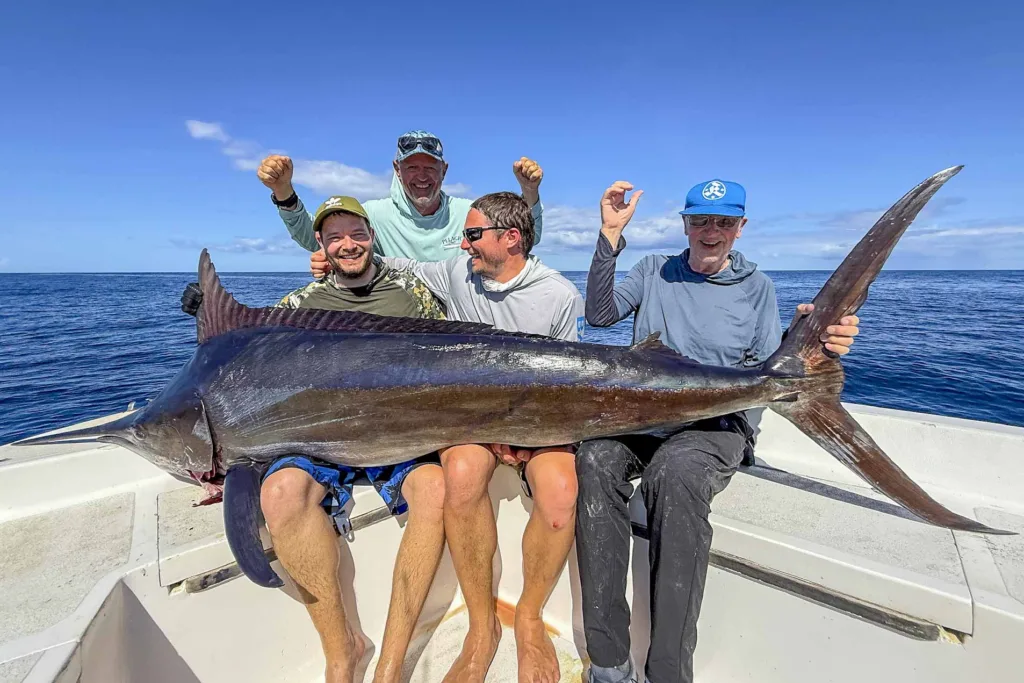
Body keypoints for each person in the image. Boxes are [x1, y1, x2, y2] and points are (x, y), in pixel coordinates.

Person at [576, 179, 862, 683]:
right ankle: (608, 661)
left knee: (677, 473)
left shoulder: (759, 288)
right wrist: (609, 236)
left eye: (724, 222)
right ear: (685, 224)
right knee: (595, 458)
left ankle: (667, 672)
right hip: (644, 417)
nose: (712, 232)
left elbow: (772, 367)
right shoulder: (653, 270)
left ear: (740, 227)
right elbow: (599, 317)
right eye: (701, 221)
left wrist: (819, 342)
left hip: (716, 424)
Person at [185, 196, 448, 683]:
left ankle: (391, 661)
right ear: (322, 246)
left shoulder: (413, 295)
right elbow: (243, 357)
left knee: (435, 491)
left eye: (357, 234)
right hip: (317, 438)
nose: (348, 245)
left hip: (396, 433)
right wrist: (201, 316)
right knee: (281, 495)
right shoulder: (300, 304)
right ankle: (342, 650)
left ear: (372, 237)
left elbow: (456, 354)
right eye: (335, 237)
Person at [342, 191, 583, 683]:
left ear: (510, 238)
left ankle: (530, 619)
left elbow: (567, 382)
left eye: (472, 235)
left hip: (535, 421)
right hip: (472, 422)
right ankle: (481, 625)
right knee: (461, 472)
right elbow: (388, 261)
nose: (464, 244)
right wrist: (331, 251)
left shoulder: (558, 294)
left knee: (560, 493)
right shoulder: (458, 274)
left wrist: (524, 434)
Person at [257, 130, 546, 261]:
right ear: (397, 169)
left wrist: (529, 193)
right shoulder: (374, 214)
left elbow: (524, 239)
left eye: (430, 167)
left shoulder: (468, 212)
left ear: (444, 171)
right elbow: (314, 239)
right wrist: (284, 192)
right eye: (412, 167)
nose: (422, 176)